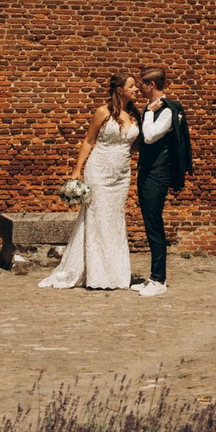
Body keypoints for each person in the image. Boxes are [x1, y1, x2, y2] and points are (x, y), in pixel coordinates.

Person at [41, 75, 139, 291]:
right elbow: (88, 141)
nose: (136, 89)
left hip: (122, 175)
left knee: (114, 220)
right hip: (99, 171)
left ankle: (116, 273)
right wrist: (77, 170)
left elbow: (135, 145)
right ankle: (96, 274)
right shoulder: (103, 112)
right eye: (131, 86)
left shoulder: (134, 114)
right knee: (97, 219)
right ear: (119, 89)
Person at [132, 65, 192, 297]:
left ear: (152, 85)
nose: (139, 88)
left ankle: (159, 280)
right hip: (147, 171)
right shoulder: (153, 108)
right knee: (149, 221)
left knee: (154, 222)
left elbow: (149, 136)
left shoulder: (167, 110)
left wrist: (148, 112)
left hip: (159, 172)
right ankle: (153, 277)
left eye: (142, 84)